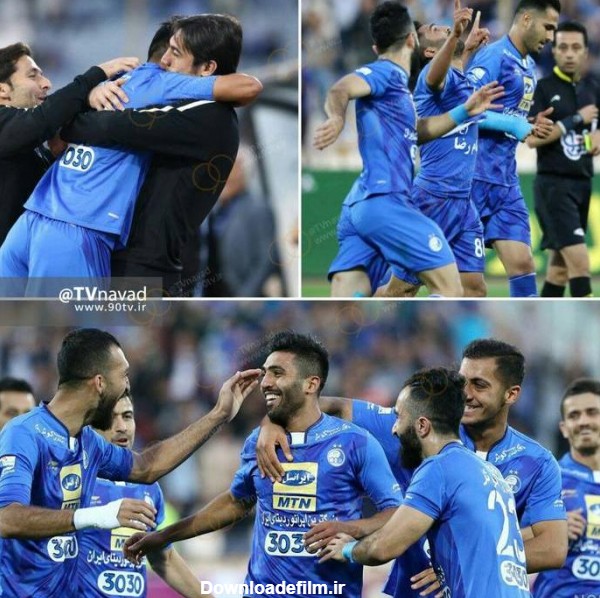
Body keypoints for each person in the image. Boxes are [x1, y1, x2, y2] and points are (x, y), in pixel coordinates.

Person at [257, 338, 567, 597]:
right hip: (416, 590)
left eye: (479, 385)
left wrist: (460, 564)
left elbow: (552, 548)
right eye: (463, 382)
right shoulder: (421, 424)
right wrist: (271, 423)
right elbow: (325, 406)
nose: (466, 394)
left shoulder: (534, 462)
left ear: (511, 394)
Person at [123, 331, 402, 598]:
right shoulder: (258, 441)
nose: (266, 382)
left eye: (277, 373)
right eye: (266, 373)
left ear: (311, 384)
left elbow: (396, 512)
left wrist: (353, 529)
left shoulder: (355, 442)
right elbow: (237, 502)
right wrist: (164, 536)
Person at [0, 15, 261, 296]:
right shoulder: (160, 82)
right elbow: (248, 86)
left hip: (35, 221)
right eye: (169, 51)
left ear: (208, 67)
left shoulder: (115, 88)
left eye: (176, 53)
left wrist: (89, 97)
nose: (167, 61)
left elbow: (63, 137)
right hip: (76, 229)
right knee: (57, 319)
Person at [0, 328, 261, 597]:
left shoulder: (88, 442)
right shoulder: (24, 433)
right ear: (99, 383)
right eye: (123, 375)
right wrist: (98, 515)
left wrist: (219, 414)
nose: (127, 385)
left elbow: (146, 467)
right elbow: (6, 519)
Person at [312, 1, 504, 298]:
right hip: (394, 200)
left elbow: (419, 131)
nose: (441, 28)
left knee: (351, 295)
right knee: (436, 289)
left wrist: (464, 107)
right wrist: (337, 118)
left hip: (369, 201)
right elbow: (340, 89)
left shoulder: (402, 92)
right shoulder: (389, 73)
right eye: (432, 29)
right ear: (414, 42)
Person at [321, 367, 531, 597]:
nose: (394, 429)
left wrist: (347, 549)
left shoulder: (438, 468)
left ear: (422, 426)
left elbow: (384, 547)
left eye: (399, 417)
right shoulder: (488, 471)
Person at [396, 6, 553, 298]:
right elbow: (443, 84)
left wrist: (465, 49)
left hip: (468, 197)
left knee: (475, 287)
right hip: (435, 197)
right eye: (435, 30)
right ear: (429, 52)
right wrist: (455, 35)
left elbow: (467, 96)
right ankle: (357, 304)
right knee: (402, 288)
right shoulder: (432, 78)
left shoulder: (460, 77)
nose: (443, 27)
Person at [0, 43, 139, 246]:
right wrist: (95, 76)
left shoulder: (25, 142)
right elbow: (43, 119)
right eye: (32, 76)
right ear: (2, 90)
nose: (46, 83)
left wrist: (57, 157)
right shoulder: (11, 124)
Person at [466, 0, 561, 297]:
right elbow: (463, 111)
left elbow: (506, 115)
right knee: (471, 286)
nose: (551, 37)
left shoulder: (529, 66)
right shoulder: (493, 57)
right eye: (548, 27)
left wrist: (530, 124)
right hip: (471, 181)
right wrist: (516, 125)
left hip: (505, 183)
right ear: (527, 19)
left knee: (523, 264)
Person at [78, 393, 208, 598]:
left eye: (127, 416)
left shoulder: (148, 487)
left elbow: (163, 558)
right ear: (89, 426)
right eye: (110, 418)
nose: (122, 427)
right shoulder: (75, 480)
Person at [527, 21, 600, 297]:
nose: (569, 53)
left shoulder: (593, 88)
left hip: (583, 183)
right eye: (564, 47)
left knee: (558, 271)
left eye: (576, 47)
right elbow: (532, 139)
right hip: (554, 187)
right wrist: (575, 119)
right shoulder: (543, 89)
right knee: (580, 264)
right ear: (554, 51)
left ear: (585, 52)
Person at [532, 378, 600, 597]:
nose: (583, 421)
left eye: (592, 412)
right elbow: (504, 539)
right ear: (563, 428)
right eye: (574, 415)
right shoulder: (546, 479)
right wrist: (553, 532)